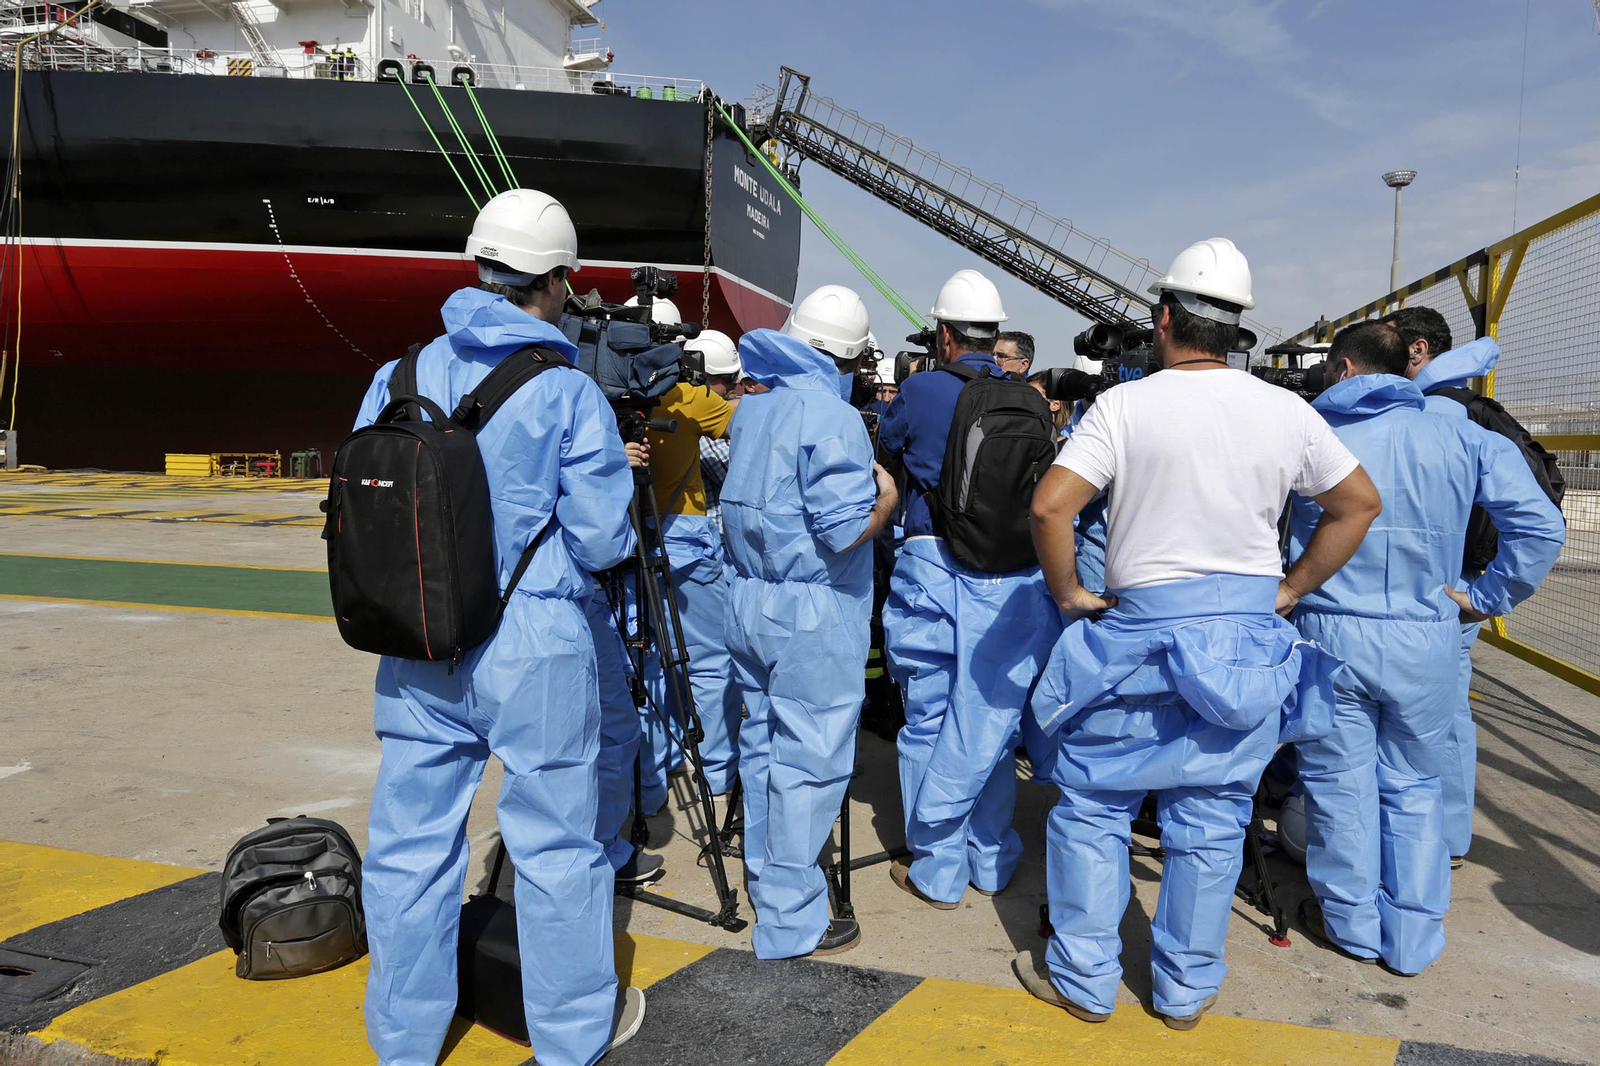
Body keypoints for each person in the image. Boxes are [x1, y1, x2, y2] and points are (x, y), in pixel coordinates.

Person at [1021, 237, 1381, 1030]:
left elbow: (1051, 507)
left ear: (1164, 318)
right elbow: (1358, 503)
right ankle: (1184, 990)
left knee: (1092, 806)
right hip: (1246, 646)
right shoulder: (1288, 411)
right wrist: (1288, 589)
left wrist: (1071, 592)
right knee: (1212, 818)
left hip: (1137, 640)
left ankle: (1083, 981)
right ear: (1240, 332)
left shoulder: (1124, 405)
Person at [354, 189, 643, 1066]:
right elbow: (601, 538)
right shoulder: (566, 392)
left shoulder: (397, 375)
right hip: (532, 645)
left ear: (478, 266)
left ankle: (403, 1041)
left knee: (408, 847)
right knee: (556, 846)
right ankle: (568, 1036)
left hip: (419, 638)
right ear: (555, 281)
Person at [1288, 322, 1563, 976]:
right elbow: (1541, 526)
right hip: (1427, 634)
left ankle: (1351, 925)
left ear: (1345, 368)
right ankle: (1412, 937)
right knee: (1415, 783)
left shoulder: (1311, 435)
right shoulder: (1463, 434)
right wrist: (1486, 596)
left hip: (1328, 634)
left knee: (1338, 785)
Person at [879, 269, 1063, 908]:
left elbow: (888, 452)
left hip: (932, 563)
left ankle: (936, 863)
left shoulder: (922, 388)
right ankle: (992, 857)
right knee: (990, 720)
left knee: (930, 716)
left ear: (945, 332)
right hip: (1012, 576)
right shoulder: (1029, 398)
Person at [722, 316, 898, 958]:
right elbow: (841, 529)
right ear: (850, 358)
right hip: (813, 611)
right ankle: (793, 919)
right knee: (810, 761)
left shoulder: (752, 408)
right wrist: (887, 500)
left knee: (763, 747)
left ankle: (766, 879)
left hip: (750, 600)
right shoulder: (834, 416)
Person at [1379, 305, 1502, 867]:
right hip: (1451, 581)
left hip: (1450, 586)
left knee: (1443, 715)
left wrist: (1484, 598)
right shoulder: (1466, 410)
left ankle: (1440, 843)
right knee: (1439, 714)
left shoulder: (1443, 412)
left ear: (1418, 350)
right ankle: (1439, 840)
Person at [632, 308, 741, 808]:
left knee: (644, 662)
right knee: (709, 661)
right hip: (687, 538)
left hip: (625, 538)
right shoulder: (686, 398)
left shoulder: (601, 392)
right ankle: (716, 772)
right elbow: (746, 424)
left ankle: (653, 777)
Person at [694, 330, 742, 544]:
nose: (735, 384)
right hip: (713, 544)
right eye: (729, 378)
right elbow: (740, 479)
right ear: (702, 378)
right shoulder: (701, 426)